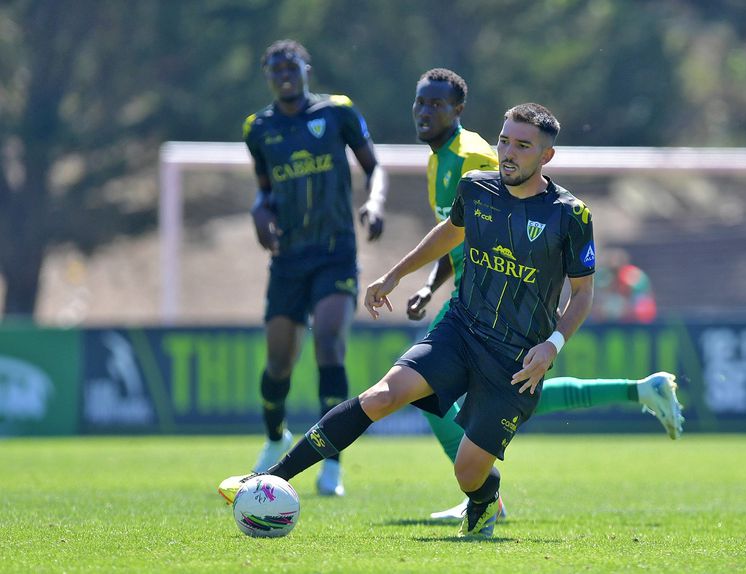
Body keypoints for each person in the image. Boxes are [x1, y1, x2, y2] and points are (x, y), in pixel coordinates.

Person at [222, 103, 638, 539]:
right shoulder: (476, 189)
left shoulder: (570, 214)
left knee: (469, 474)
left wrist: (552, 344)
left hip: (516, 358)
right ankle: (271, 478)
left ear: (546, 157)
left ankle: (483, 502)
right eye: (503, 140)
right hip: (460, 331)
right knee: (381, 397)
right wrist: (395, 275)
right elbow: (449, 232)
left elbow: (584, 292)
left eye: (522, 145)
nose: (507, 152)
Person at [405, 69, 682, 519]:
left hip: (492, 301)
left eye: (434, 105)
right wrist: (426, 283)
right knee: (512, 391)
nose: (422, 112)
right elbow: (457, 231)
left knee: (439, 393)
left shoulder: (475, 158)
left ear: (458, 111)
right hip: (470, 295)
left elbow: (506, 217)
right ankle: (638, 391)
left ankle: (482, 495)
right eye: (419, 102)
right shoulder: (439, 159)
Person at [241, 39, 388, 497]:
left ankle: (331, 465)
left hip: (334, 252)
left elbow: (374, 167)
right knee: (279, 361)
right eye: (275, 68)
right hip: (288, 260)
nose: (285, 74)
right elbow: (264, 189)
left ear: (307, 69)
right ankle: (274, 438)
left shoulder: (336, 112)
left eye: (292, 66)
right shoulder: (258, 129)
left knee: (328, 342)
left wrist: (375, 201)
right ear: (267, 75)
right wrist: (259, 212)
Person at [592, 247, 657, 323]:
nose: (615, 272)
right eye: (612, 269)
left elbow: (641, 296)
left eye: (616, 269)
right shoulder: (603, 276)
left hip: (637, 307)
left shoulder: (634, 275)